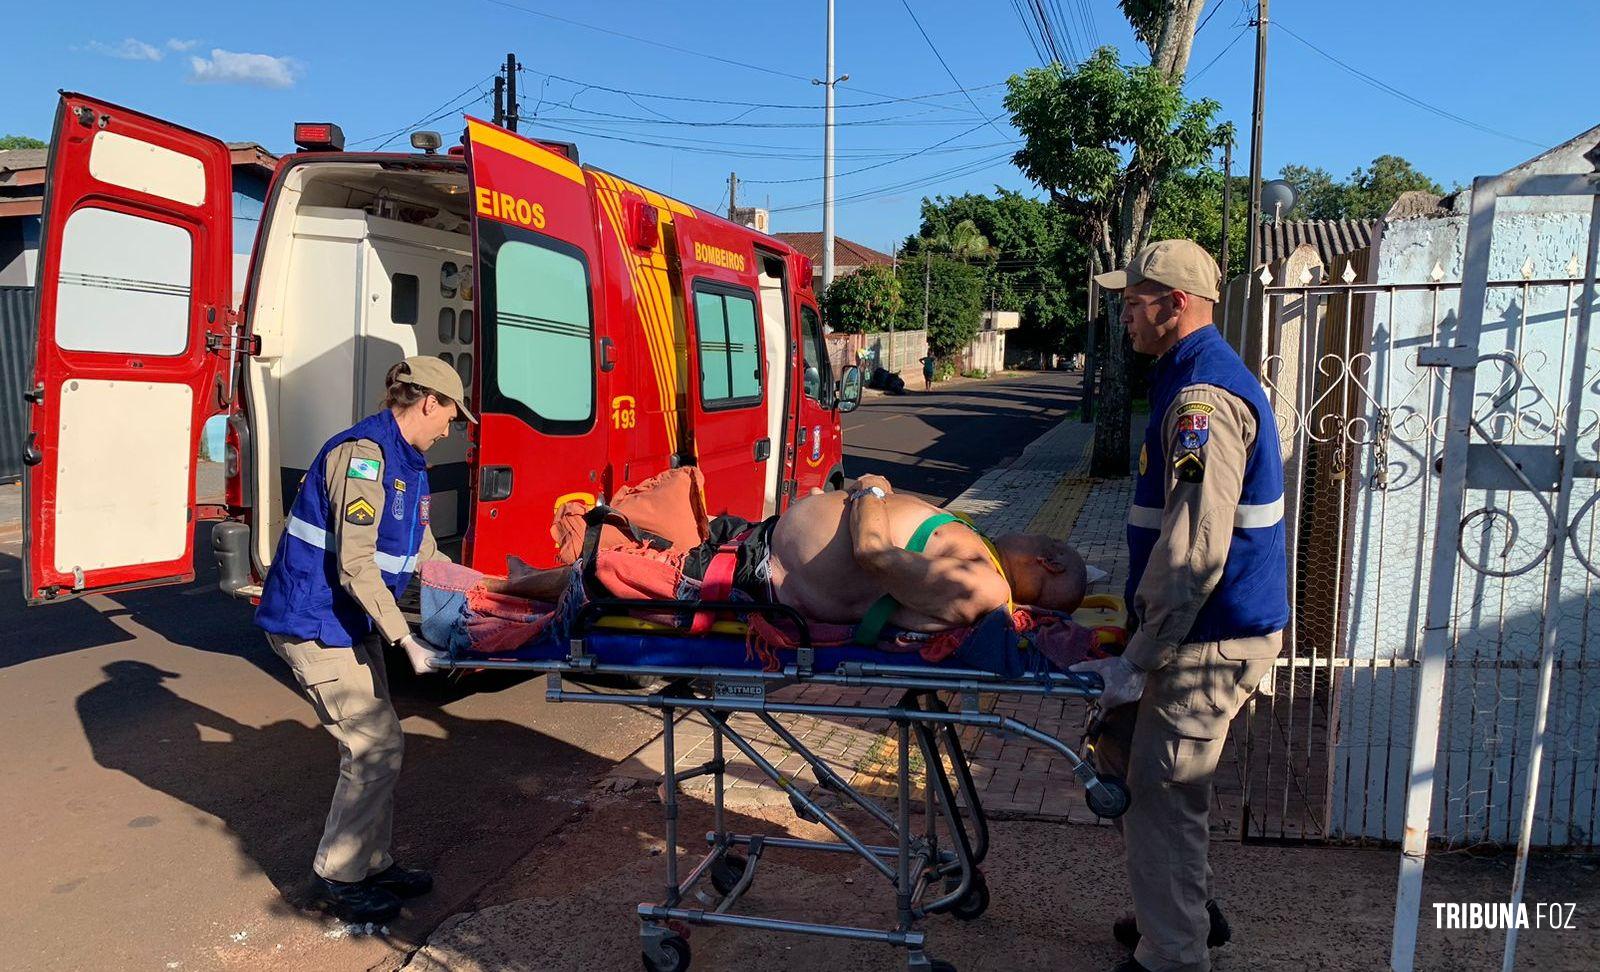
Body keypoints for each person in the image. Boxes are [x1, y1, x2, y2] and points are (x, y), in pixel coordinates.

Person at [1070, 239, 1288, 972]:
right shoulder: (1183, 376)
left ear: (1177, 304)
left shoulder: (1202, 401)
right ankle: (1180, 913)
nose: (1124, 314)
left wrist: (1139, 657)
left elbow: (1194, 551)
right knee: (1143, 770)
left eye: (1135, 302)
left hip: (1205, 640)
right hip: (1200, 631)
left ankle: (1173, 954)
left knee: (1164, 795)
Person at [255, 356, 474, 923]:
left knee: (385, 745)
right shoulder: (365, 457)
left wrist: (477, 593)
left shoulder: (411, 461)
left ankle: (372, 862)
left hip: (347, 620)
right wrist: (408, 641)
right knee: (372, 747)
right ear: (428, 402)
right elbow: (355, 565)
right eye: (450, 415)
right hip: (314, 619)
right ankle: (339, 876)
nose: (451, 428)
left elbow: (422, 553)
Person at [493, 473, 1089, 630]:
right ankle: (533, 577)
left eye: (1035, 536)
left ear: (1048, 562)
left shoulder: (981, 586)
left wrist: (870, 491)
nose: (1019, 533)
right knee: (660, 516)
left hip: (760, 574)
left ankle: (504, 588)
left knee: (612, 573)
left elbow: (874, 552)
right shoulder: (976, 564)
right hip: (761, 544)